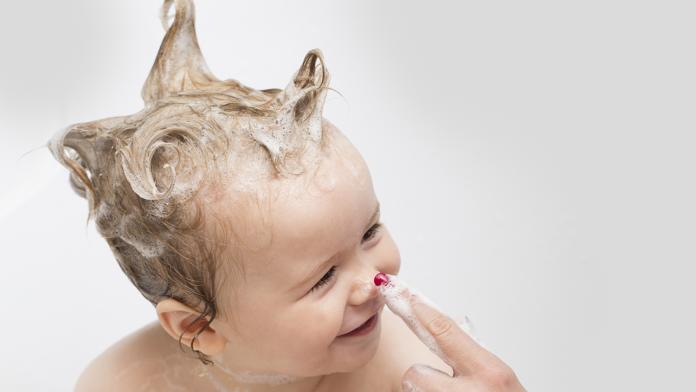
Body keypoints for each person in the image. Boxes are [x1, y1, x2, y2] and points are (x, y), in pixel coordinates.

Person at [49, 1, 525, 390]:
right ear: (201, 329)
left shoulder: (409, 373)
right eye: (322, 279)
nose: (373, 282)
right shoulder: (126, 383)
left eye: (370, 231)